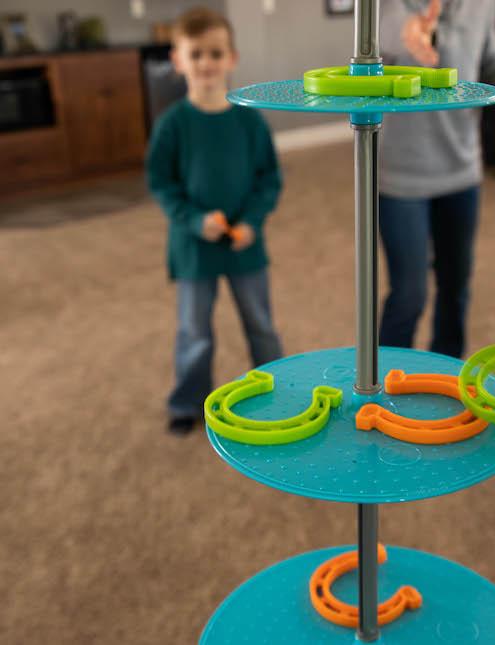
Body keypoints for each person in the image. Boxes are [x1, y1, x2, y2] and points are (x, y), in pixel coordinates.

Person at [379, 0, 495, 358]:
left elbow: (490, 56)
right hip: (401, 175)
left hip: (462, 168)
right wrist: (407, 33)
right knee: (409, 296)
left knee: (455, 288)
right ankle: (384, 383)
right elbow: (380, 38)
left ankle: (448, 375)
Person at [146, 7, 283, 435]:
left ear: (232, 58)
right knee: (194, 331)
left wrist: (252, 222)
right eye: (196, 54)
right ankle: (187, 402)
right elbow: (161, 184)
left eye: (215, 53)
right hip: (193, 248)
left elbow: (269, 179)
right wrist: (193, 221)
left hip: (245, 244)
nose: (206, 62)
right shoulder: (172, 125)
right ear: (178, 61)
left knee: (260, 323)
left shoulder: (250, 120)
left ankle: (278, 392)